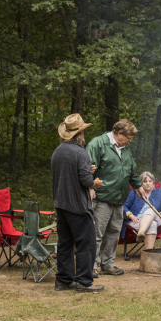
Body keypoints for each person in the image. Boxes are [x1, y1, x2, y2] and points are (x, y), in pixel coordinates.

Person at [50, 113, 105, 293]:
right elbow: (85, 181)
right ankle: (83, 281)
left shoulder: (58, 151)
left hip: (61, 203)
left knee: (65, 243)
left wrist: (85, 170)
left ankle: (63, 280)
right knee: (86, 243)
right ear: (79, 134)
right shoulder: (81, 152)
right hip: (78, 206)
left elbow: (68, 173)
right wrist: (94, 182)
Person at [87, 119, 141, 276]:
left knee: (114, 233)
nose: (130, 140)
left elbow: (131, 169)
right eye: (128, 137)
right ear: (118, 133)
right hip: (102, 197)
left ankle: (108, 263)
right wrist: (90, 186)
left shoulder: (125, 149)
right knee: (97, 233)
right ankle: (92, 265)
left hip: (119, 198)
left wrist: (137, 185)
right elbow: (87, 168)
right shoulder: (97, 144)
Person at [122, 171, 161, 251]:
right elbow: (124, 206)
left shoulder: (160, 192)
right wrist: (131, 215)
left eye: (150, 181)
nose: (148, 183)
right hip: (137, 221)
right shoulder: (135, 192)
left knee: (151, 210)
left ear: (153, 182)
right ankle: (148, 254)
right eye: (145, 181)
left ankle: (141, 232)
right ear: (141, 184)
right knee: (152, 224)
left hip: (156, 218)